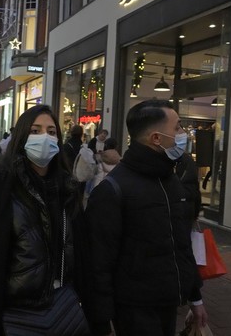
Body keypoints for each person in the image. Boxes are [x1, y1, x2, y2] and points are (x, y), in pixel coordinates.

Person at [0, 105, 88, 334]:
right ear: (21, 137)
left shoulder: (66, 191)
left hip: (63, 309)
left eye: (52, 132)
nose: (45, 138)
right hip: (14, 316)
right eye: (35, 131)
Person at [85, 99, 207, 335]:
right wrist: (102, 321)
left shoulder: (171, 181)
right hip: (132, 310)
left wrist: (195, 297)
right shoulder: (113, 190)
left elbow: (181, 244)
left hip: (168, 304)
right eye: (178, 127)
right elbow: (98, 263)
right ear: (156, 138)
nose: (183, 134)